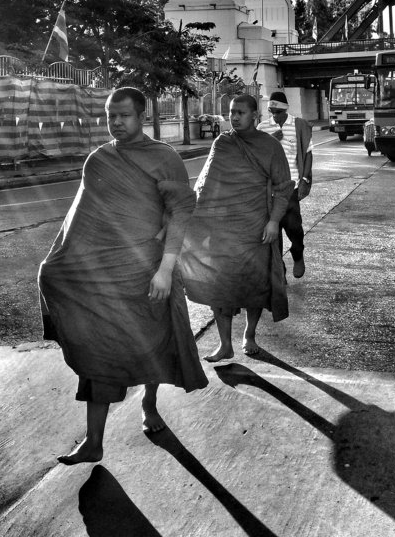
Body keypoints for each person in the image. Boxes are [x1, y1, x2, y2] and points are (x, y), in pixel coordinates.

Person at [38, 86, 207, 465]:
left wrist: (166, 270)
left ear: (142, 116)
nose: (115, 122)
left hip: (147, 272)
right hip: (106, 276)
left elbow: (180, 214)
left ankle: (149, 403)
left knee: (149, 344)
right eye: (110, 115)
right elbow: (80, 223)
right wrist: (57, 264)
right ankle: (93, 442)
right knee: (101, 352)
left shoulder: (164, 158)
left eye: (123, 115)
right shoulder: (98, 160)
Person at [181, 93, 294, 361]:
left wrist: (274, 221)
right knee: (218, 285)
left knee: (253, 286)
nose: (234, 117)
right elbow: (206, 183)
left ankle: (249, 335)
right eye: (231, 112)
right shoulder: (223, 143)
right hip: (221, 229)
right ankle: (224, 344)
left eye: (240, 112)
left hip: (255, 229)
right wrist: (192, 219)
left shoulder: (270, 147)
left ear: (255, 116)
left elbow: (283, 187)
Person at [257, 90, 314, 278]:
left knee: (294, 229)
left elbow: (307, 154)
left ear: (285, 110)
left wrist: (305, 179)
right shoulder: (263, 128)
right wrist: (271, 141)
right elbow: (255, 154)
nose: (275, 116)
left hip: (291, 187)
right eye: (272, 112)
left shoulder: (299, 125)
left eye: (278, 112)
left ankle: (298, 255)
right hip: (269, 190)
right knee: (274, 234)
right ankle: (278, 271)